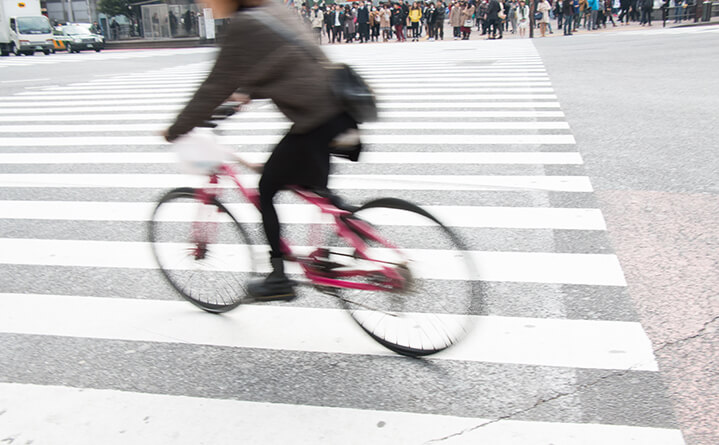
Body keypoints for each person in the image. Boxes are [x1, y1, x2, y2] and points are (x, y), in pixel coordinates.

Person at [163, 0, 360, 301]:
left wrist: (177, 128)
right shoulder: (277, 11)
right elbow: (286, 64)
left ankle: (278, 278)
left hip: (315, 122)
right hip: (342, 114)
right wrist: (245, 94)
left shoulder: (244, 25)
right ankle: (353, 229)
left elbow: (214, 85)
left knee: (267, 186)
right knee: (310, 183)